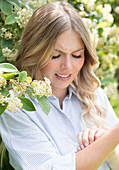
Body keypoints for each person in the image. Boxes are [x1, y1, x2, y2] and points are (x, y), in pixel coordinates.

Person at [0, 1, 119, 170]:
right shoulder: (15, 104)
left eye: (77, 55)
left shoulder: (91, 91)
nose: (68, 66)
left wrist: (106, 146)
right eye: (55, 56)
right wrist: (114, 135)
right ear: (35, 52)